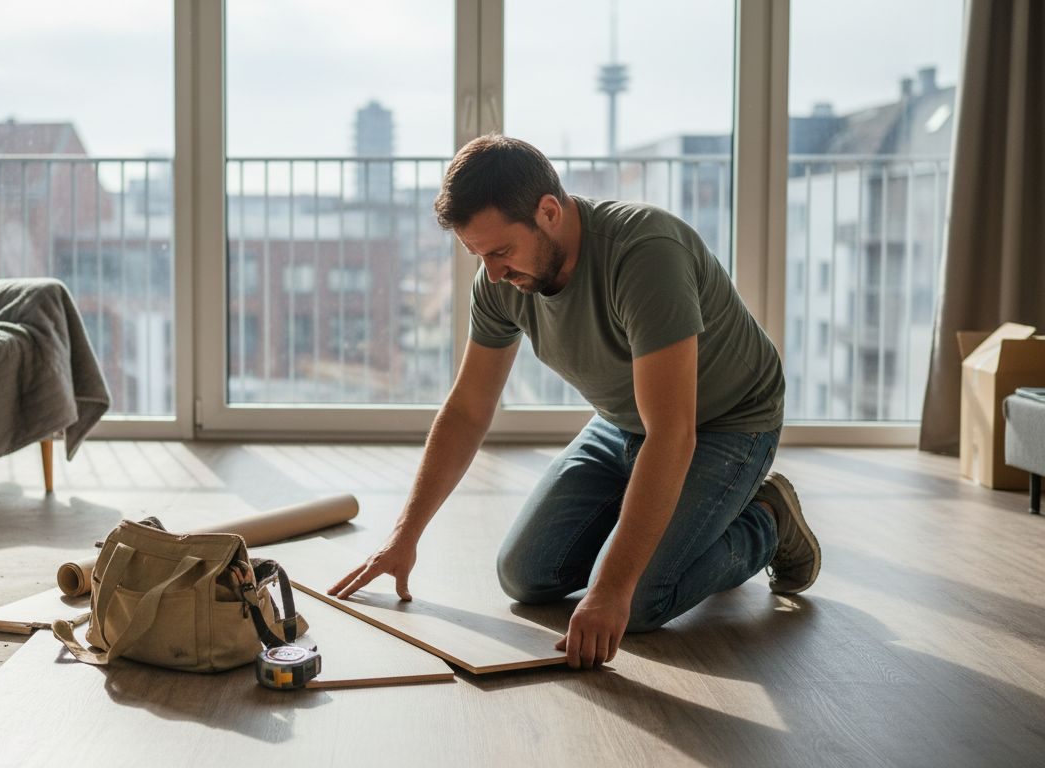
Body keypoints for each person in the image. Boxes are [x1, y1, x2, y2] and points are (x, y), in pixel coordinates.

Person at [328, 135, 821, 670]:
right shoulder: (498, 281)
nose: (492, 273)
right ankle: (668, 529)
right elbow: (468, 409)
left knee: (639, 601)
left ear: (548, 212)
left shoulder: (646, 253)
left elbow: (672, 433)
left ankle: (767, 520)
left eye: (500, 252)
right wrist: (404, 537)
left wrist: (611, 589)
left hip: (725, 422)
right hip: (621, 421)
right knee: (525, 575)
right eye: (478, 255)